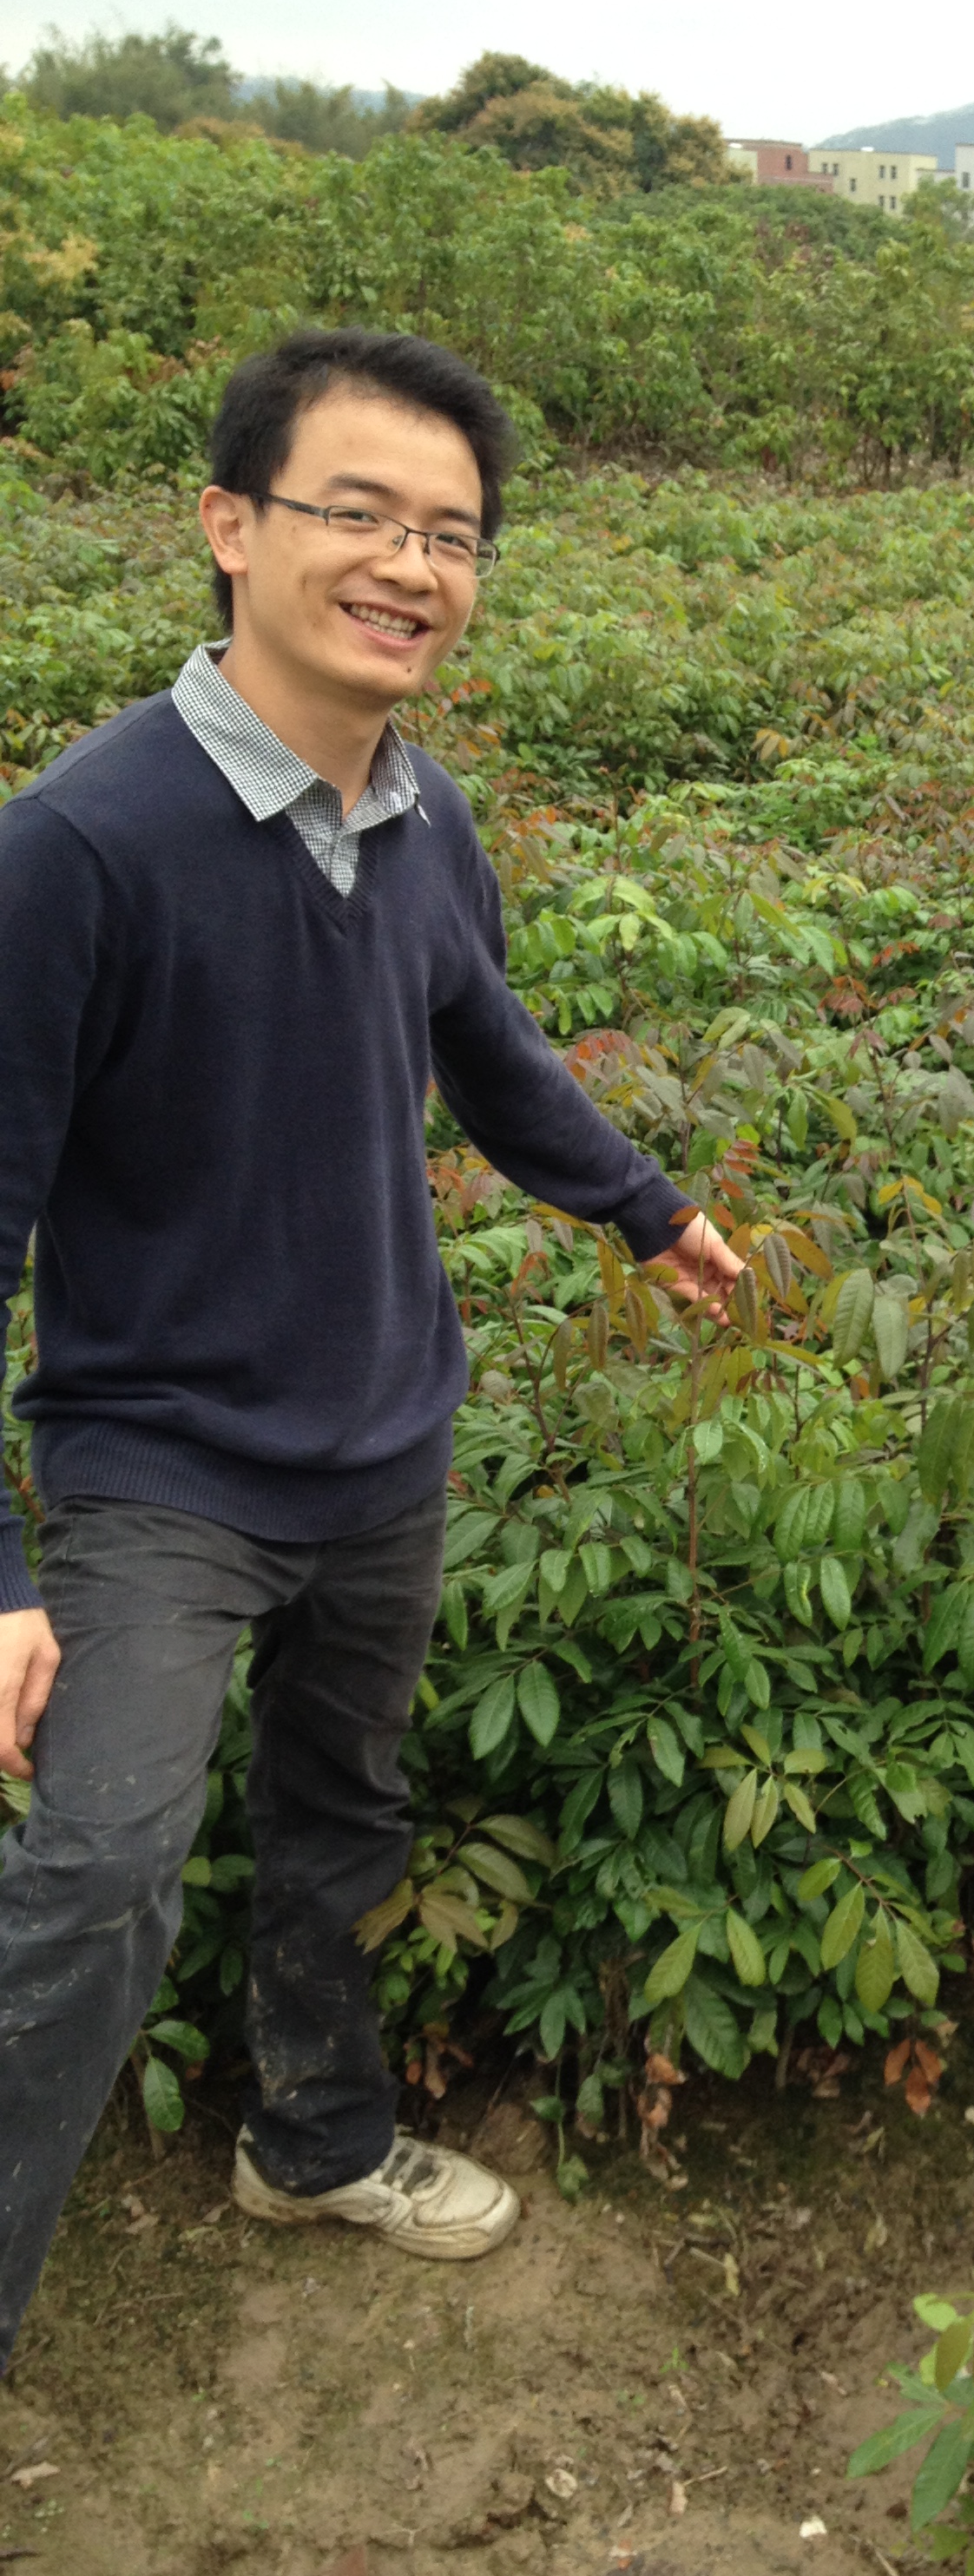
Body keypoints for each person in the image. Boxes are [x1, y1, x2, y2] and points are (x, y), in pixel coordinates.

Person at [0, 326, 742, 2376]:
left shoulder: (425, 815)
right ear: (230, 530)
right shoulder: (78, 846)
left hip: (384, 1442)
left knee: (347, 1806)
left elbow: (482, 1043)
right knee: (101, 1874)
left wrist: (643, 1206)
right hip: (158, 1469)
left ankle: (315, 2143)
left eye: (453, 533)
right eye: (359, 515)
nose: (411, 564)